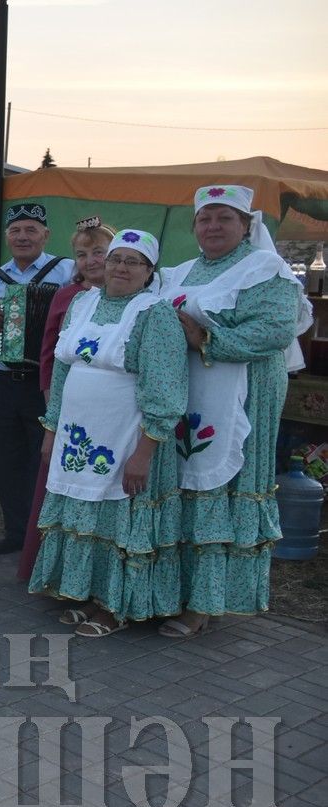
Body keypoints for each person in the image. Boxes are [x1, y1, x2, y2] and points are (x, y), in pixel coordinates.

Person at [158, 185, 311, 637]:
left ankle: (205, 602)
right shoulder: (179, 272)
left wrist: (205, 339)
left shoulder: (267, 269)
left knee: (224, 485)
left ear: (246, 225)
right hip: (185, 396)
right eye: (205, 218)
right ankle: (170, 589)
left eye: (225, 218)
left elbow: (275, 329)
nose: (213, 226)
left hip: (241, 393)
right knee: (181, 485)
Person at [29, 230, 187, 637]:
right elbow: (63, 372)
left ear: (150, 272)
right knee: (86, 517)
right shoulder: (83, 302)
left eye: (133, 262)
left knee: (119, 521)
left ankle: (114, 607)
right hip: (79, 436)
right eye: (116, 258)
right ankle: (85, 592)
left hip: (126, 440)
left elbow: (166, 389)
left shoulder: (155, 314)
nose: (121, 268)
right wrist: (52, 429)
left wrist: (144, 452)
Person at [0, 204, 75, 553]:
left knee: (44, 458)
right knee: (7, 459)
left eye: (31, 230)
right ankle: (16, 533)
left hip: (46, 384)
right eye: (16, 231)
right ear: (8, 236)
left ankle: (45, 536)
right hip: (2, 380)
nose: (23, 237)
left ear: (46, 235)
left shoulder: (69, 271)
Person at [18, 216, 115, 581]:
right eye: (82, 254)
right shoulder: (66, 296)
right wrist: (51, 408)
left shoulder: (142, 300)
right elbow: (49, 355)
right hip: (69, 408)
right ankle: (49, 569)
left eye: (99, 253)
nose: (91, 261)